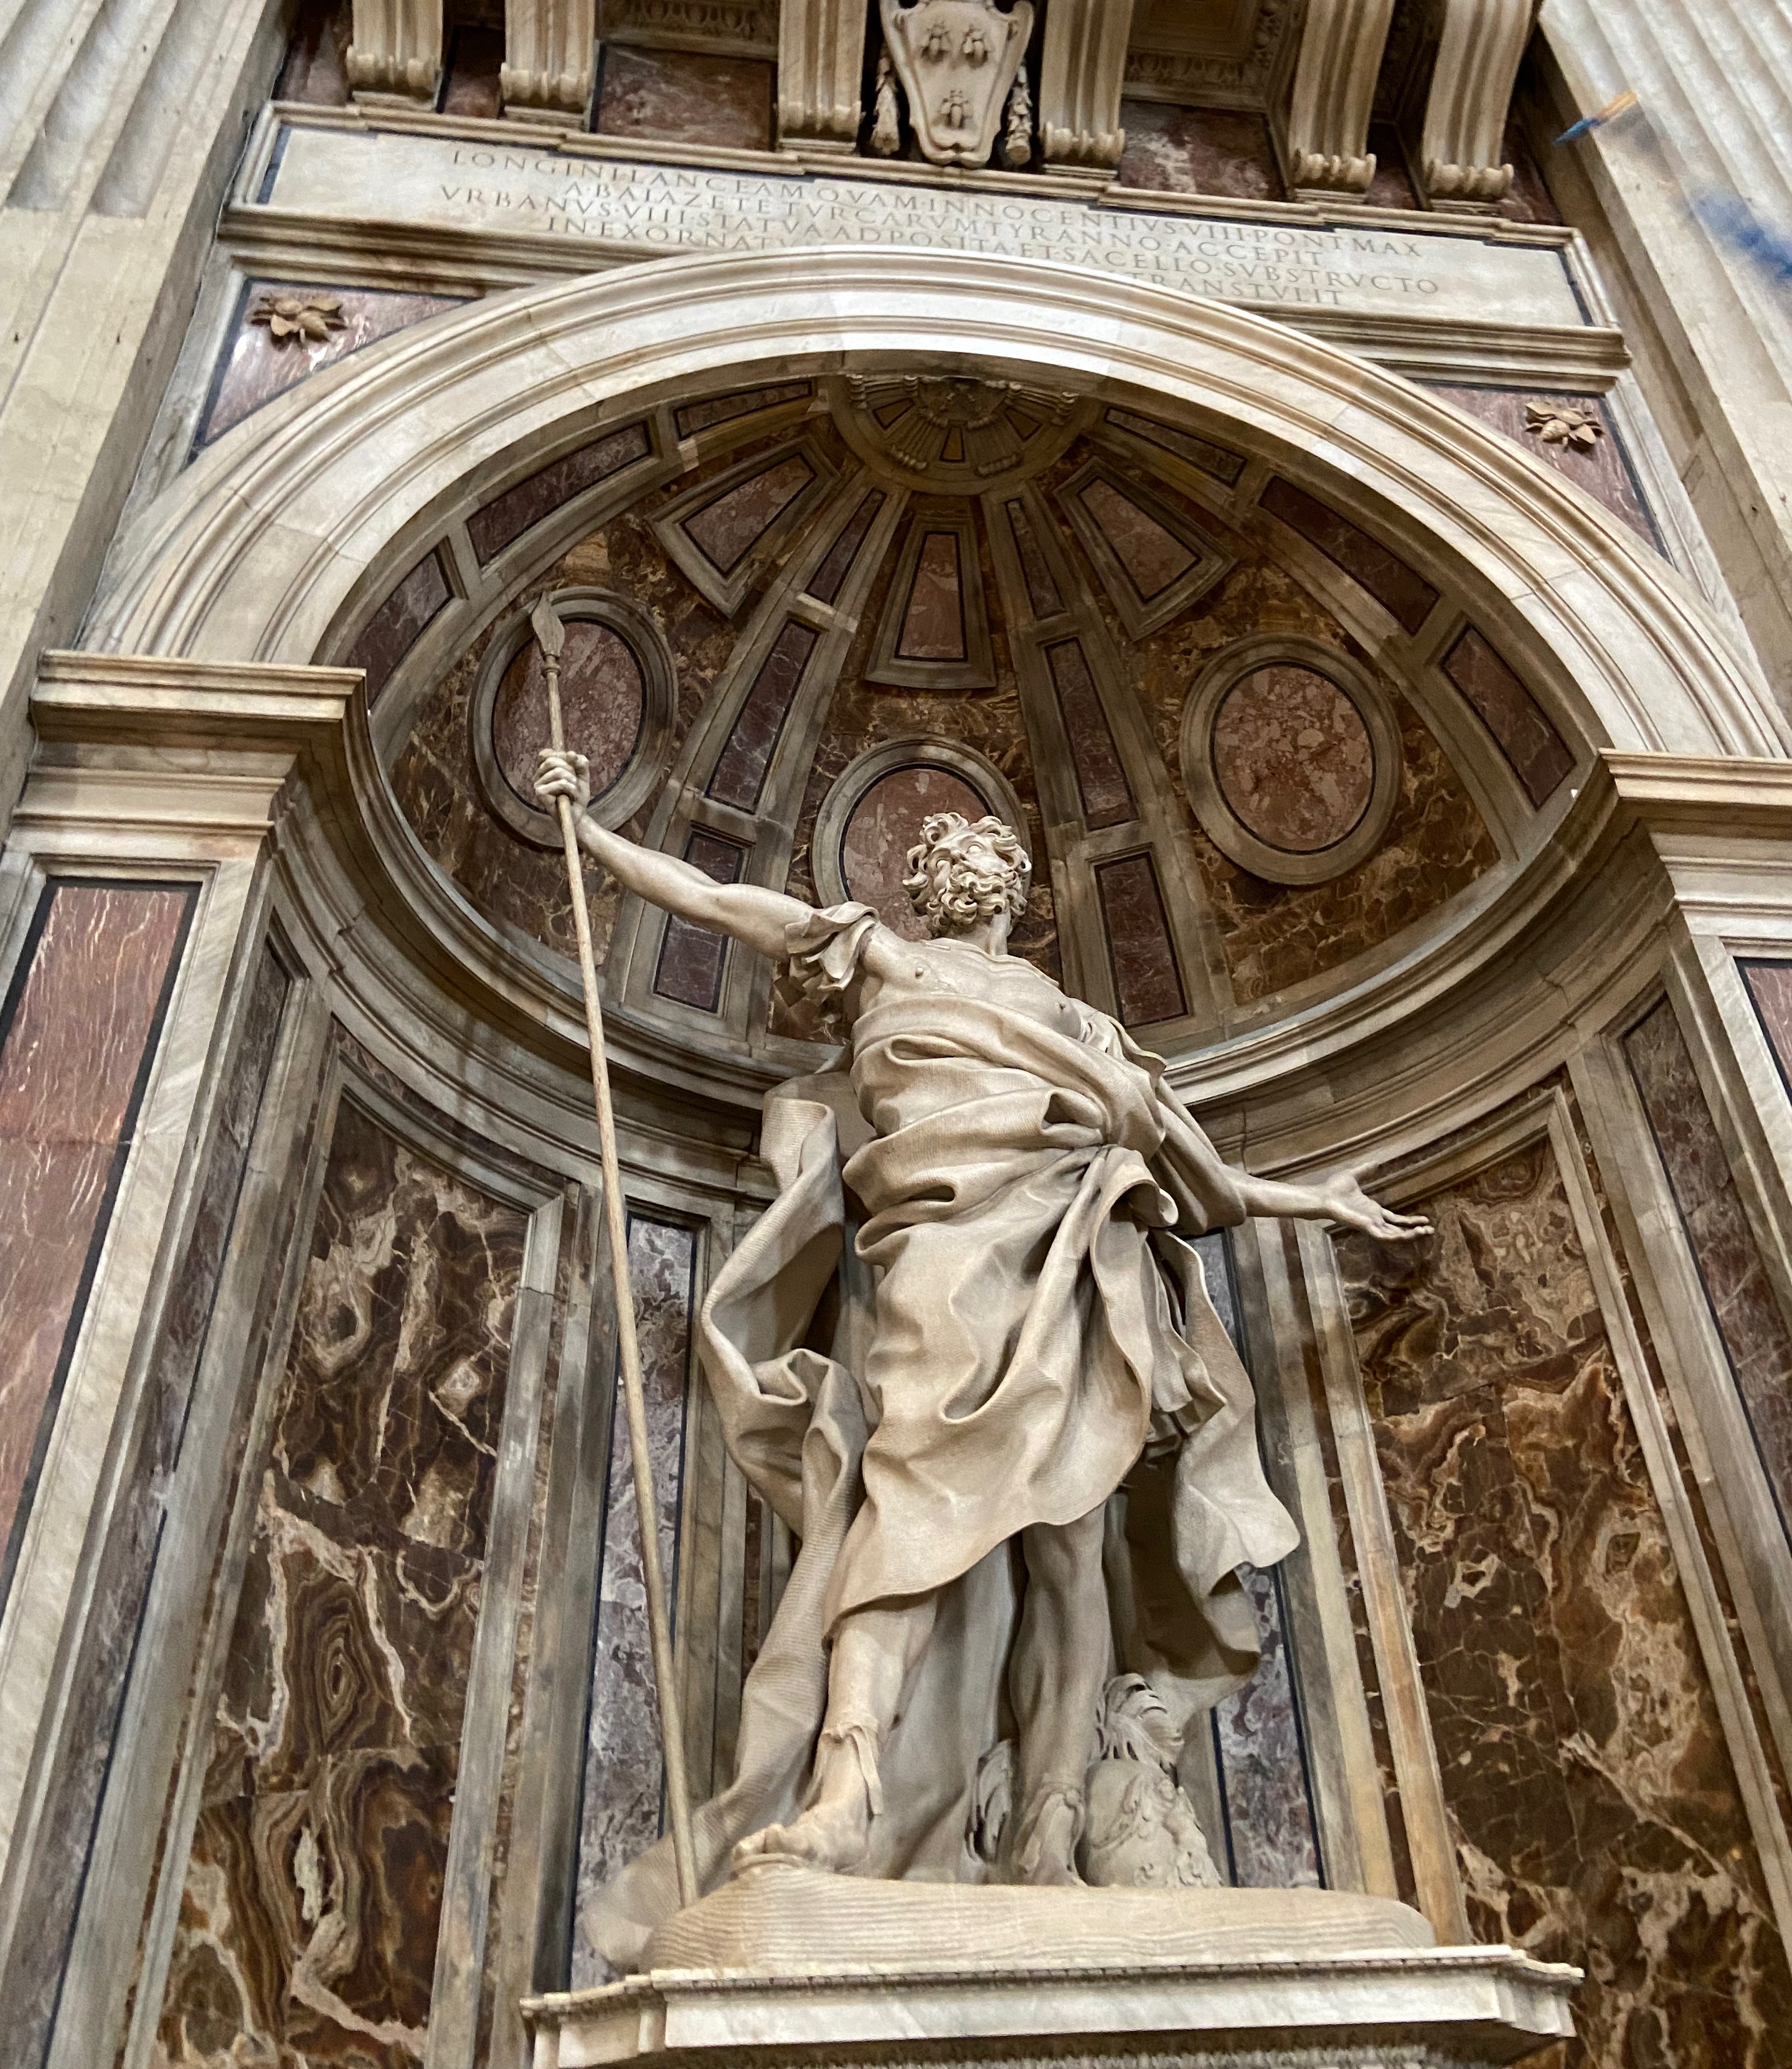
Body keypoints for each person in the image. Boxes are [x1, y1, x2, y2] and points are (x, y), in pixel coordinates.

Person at [535, 753, 1428, 1943]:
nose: (967, 878)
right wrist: (592, 836)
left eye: (986, 864)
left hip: (1075, 1264)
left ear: (1016, 890)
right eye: (946, 866)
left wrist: (1318, 1199)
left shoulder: (1076, 1022)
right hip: (945, 1260)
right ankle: (846, 1788)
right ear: (924, 892)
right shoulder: (885, 957)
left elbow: (1195, 1171)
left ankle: (1048, 1835)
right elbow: (732, 908)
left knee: (1071, 1555)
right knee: (905, 1505)